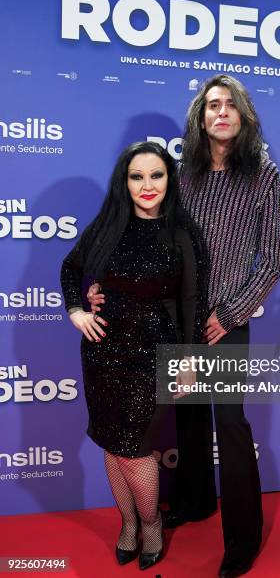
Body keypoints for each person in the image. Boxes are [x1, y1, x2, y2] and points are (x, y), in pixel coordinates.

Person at [89, 74, 280, 577]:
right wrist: (108, 287)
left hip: (226, 319)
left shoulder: (263, 173)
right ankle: (196, 500)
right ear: (201, 118)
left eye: (230, 105)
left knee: (230, 425)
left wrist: (229, 313)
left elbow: (273, 259)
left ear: (243, 115)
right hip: (178, 315)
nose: (221, 112)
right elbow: (148, 235)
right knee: (188, 416)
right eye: (211, 105)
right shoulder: (182, 173)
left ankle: (241, 540)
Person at [60, 141, 207, 571]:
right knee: (111, 442)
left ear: (169, 180)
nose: (147, 185)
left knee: (136, 449)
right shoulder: (109, 224)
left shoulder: (182, 231)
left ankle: (151, 524)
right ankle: (128, 525)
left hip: (156, 353)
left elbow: (192, 303)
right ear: (124, 182)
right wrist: (76, 310)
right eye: (137, 176)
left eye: (156, 175)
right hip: (103, 351)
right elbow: (71, 267)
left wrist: (189, 361)